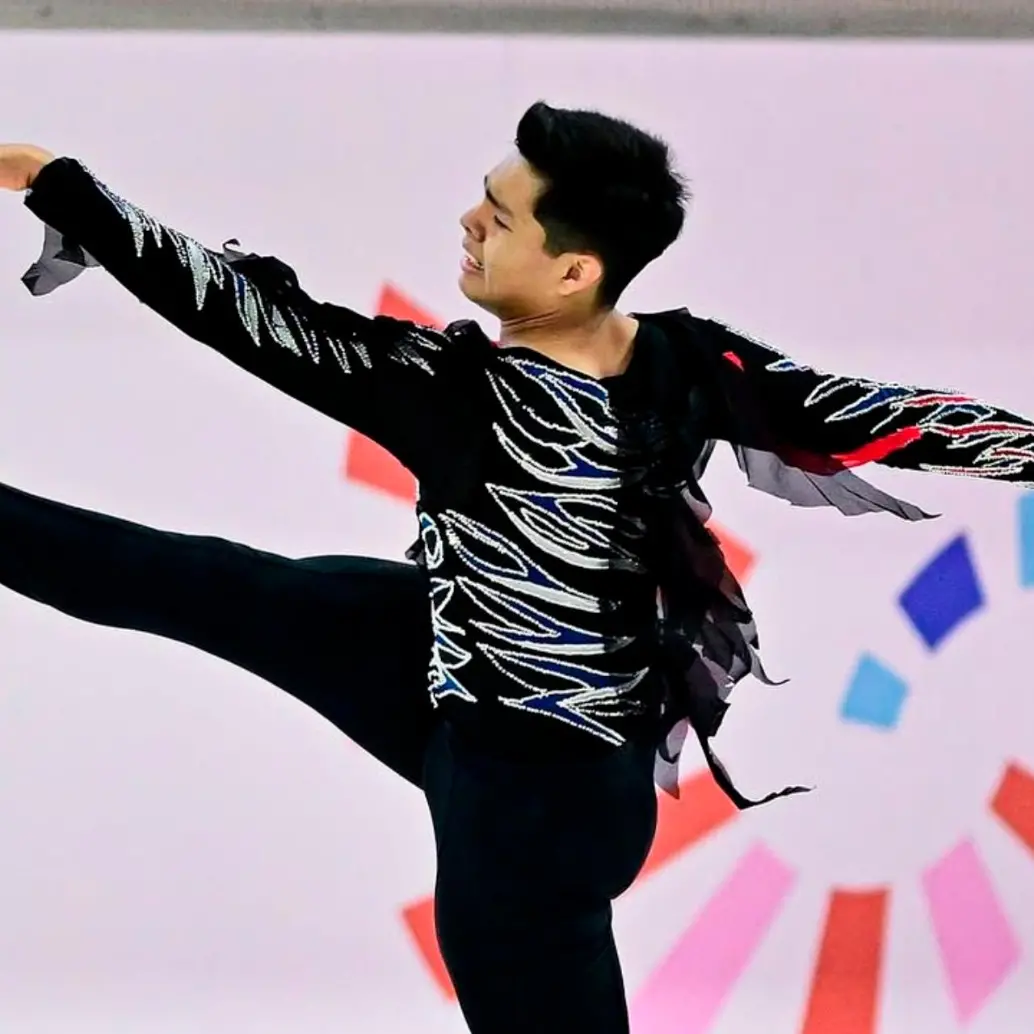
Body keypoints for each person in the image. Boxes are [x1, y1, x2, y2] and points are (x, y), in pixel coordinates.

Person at [3, 102, 1034, 1033]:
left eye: (498, 216)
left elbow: (242, 317)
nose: (468, 222)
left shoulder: (459, 394)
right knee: (211, 583)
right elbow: (886, 417)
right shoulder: (683, 359)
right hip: (454, 678)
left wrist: (61, 184)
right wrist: (59, 183)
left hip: (535, 811)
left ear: (574, 268)